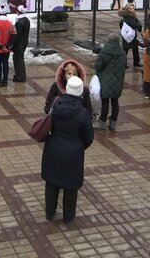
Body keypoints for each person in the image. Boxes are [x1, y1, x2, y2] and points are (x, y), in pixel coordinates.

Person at [41, 75, 94, 223]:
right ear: (80, 92)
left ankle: (49, 213)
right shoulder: (83, 113)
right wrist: (78, 146)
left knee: (51, 182)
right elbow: (89, 137)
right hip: (73, 154)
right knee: (70, 186)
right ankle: (68, 217)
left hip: (53, 149)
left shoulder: (55, 105)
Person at [94, 33, 126, 131]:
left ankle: (102, 124)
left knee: (105, 103)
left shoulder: (104, 51)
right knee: (115, 102)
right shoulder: (122, 53)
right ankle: (113, 124)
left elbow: (98, 65)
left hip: (105, 81)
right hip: (118, 81)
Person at [0, 11, 16, 87]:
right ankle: (5, 80)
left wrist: (0, 46)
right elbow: (14, 36)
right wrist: (7, 46)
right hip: (6, 49)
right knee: (5, 64)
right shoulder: (11, 23)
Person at [118, 4, 142, 69]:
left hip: (129, 35)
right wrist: (138, 25)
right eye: (131, 8)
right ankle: (124, 63)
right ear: (127, 10)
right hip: (129, 35)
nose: (133, 9)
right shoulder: (129, 17)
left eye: (133, 8)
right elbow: (134, 25)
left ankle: (136, 62)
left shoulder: (129, 16)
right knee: (126, 49)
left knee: (134, 48)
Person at [12, 6, 30, 83]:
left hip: (19, 44)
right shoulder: (26, 20)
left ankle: (20, 77)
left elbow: (17, 35)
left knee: (18, 60)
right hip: (23, 42)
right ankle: (19, 75)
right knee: (19, 59)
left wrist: (12, 44)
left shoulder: (19, 22)